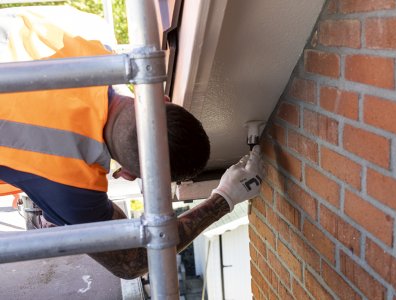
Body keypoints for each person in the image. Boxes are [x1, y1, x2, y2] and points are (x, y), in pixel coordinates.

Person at [0, 6, 264, 279]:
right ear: (128, 174)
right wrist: (225, 198)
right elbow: (134, 259)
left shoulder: (91, 34)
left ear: (162, 98)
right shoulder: (72, 183)